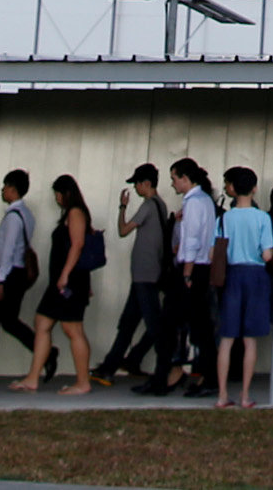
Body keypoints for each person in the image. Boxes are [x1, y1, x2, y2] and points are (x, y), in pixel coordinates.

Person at [22, 174, 97, 393]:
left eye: (57, 194)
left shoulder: (75, 213)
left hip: (69, 282)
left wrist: (65, 275)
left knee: (72, 328)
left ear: (66, 193)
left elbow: (78, 245)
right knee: (42, 323)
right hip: (61, 282)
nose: (56, 198)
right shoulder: (70, 214)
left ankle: (83, 382)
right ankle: (32, 377)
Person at [100, 163, 169, 390]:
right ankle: (117, 364)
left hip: (144, 276)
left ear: (146, 183)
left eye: (137, 184)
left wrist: (122, 207)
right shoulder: (161, 205)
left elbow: (123, 230)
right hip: (149, 273)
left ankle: (161, 369)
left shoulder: (149, 205)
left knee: (154, 325)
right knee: (129, 324)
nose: (136, 188)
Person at [212, 166, 273, 408]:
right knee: (250, 340)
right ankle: (245, 395)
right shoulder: (262, 218)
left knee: (227, 339)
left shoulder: (224, 219)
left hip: (232, 275)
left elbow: (214, 252)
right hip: (256, 275)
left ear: (231, 189)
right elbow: (268, 255)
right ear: (254, 188)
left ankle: (221, 395)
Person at [167, 159, 221, 397]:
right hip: (203, 266)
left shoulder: (193, 203)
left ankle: (187, 372)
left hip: (193, 267)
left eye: (174, 178)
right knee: (200, 326)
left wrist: (187, 272)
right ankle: (201, 374)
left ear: (186, 179)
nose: (173, 183)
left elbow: (192, 240)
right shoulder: (206, 201)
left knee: (186, 323)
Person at [0, 170, 40, 388]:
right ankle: (45, 351)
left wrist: (0, 280)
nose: (2, 190)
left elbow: (7, 251)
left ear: (13, 189)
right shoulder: (28, 215)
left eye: (5, 186)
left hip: (7, 273)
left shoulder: (13, 217)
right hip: (18, 273)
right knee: (9, 321)